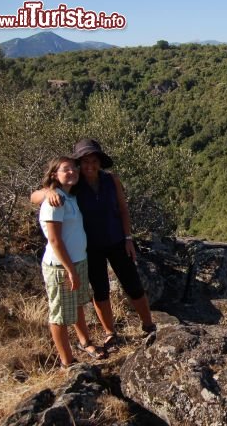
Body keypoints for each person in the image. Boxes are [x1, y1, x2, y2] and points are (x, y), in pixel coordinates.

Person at [32, 140, 155, 350]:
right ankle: (110, 333)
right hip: (91, 248)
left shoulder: (111, 180)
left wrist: (128, 239)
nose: (90, 165)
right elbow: (34, 196)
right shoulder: (75, 185)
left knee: (133, 284)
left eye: (94, 160)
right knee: (100, 290)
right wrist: (48, 192)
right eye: (85, 161)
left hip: (117, 241)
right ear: (80, 163)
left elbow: (123, 210)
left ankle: (149, 325)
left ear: (100, 162)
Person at [38, 156, 105, 368]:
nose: (72, 172)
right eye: (65, 169)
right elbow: (55, 241)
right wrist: (70, 271)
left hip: (78, 261)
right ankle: (68, 362)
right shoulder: (54, 200)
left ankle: (86, 343)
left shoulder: (70, 197)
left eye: (74, 169)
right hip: (61, 267)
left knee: (76, 306)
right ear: (54, 175)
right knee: (59, 315)